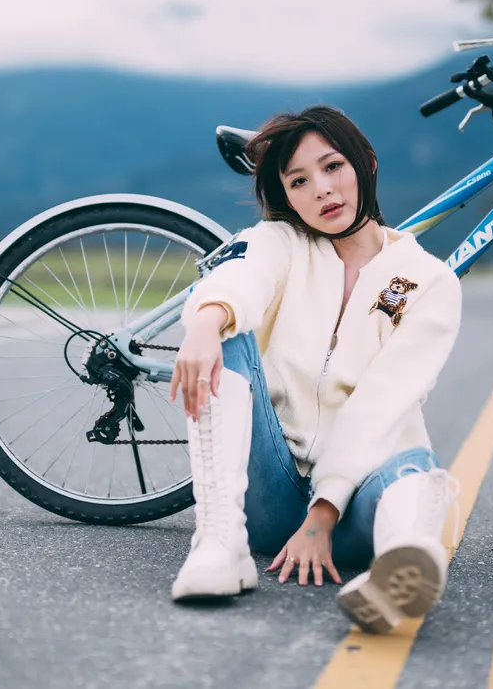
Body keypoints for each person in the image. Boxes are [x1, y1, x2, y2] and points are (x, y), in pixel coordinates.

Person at [166, 105, 464, 634]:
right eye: (299, 181)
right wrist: (205, 323)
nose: (322, 190)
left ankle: (405, 566)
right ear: (286, 196)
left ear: (365, 164)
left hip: (355, 510)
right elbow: (241, 276)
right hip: (267, 495)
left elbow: (382, 404)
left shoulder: (428, 280)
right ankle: (218, 545)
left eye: (333, 168)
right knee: (222, 321)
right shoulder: (280, 242)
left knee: (412, 467)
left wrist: (322, 515)